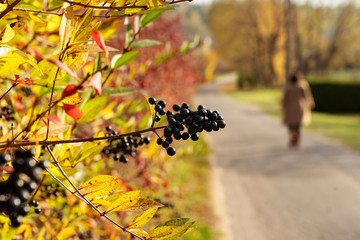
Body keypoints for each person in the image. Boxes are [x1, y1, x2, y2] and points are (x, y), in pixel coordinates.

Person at [281, 71, 315, 148]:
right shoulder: (303, 85)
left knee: (291, 126)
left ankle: (294, 139)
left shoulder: (289, 86)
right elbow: (307, 96)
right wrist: (310, 104)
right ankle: (296, 139)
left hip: (290, 108)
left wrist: (283, 105)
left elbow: (284, 98)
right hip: (299, 108)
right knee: (297, 126)